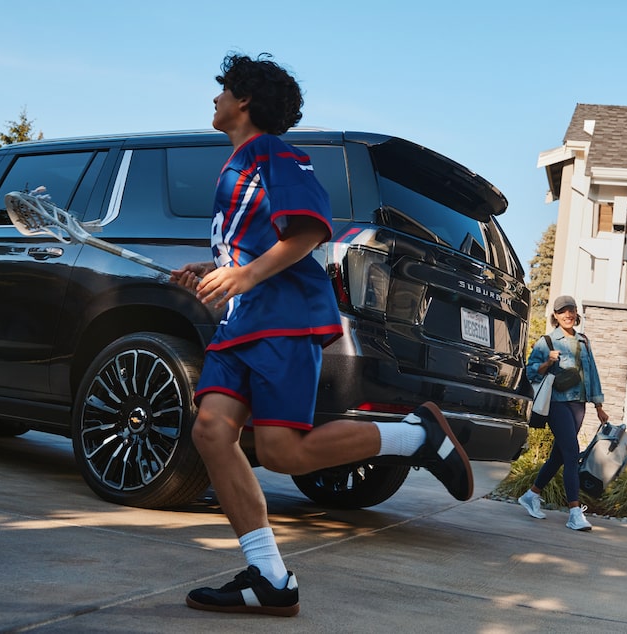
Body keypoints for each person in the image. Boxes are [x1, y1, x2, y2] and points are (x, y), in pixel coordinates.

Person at [169, 53, 473, 617]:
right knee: (211, 431)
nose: (214, 98)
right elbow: (255, 248)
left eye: (223, 90)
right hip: (242, 321)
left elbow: (309, 230)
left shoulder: (274, 153)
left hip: (282, 318)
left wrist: (245, 275)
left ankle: (414, 436)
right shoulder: (237, 163)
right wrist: (213, 269)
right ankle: (268, 577)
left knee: (283, 453)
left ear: (244, 101)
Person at [518, 295, 609, 531]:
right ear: (556, 316)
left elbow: (593, 373)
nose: (567, 314)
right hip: (557, 404)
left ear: (576, 313)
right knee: (571, 453)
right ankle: (574, 513)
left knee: (559, 456)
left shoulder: (584, 341)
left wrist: (599, 406)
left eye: (571, 310)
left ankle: (531, 495)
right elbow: (530, 372)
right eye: (562, 311)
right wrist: (547, 362)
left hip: (579, 405)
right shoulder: (547, 341)